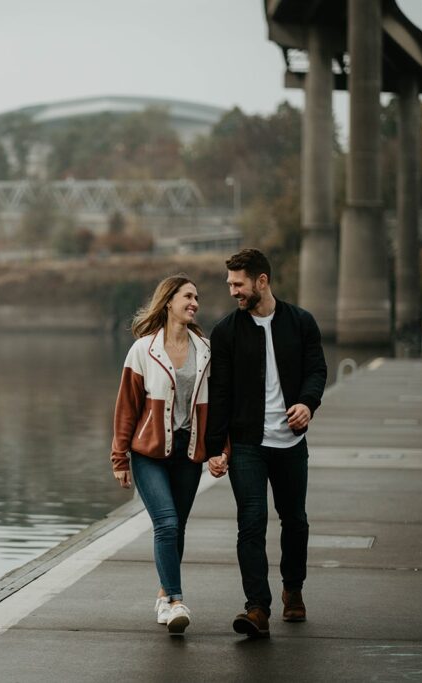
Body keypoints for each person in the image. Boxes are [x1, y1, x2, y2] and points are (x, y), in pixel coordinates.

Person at [205, 248, 326, 639]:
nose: (233, 292)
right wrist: (214, 448)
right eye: (229, 284)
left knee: (296, 521)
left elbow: (317, 370)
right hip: (247, 445)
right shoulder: (225, 332)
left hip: (291, 443)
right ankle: (257, 607)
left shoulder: (301, 322)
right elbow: (219, 392)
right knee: (251, 524)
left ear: (262, 281)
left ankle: (294, 590)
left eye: (238, 284)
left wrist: (307, 404)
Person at [111, 274, 212, 635]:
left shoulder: (205, 349)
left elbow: (214, 407)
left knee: (177, 528)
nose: (194, 303)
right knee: (166, 523)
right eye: (188, 296)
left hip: (188, 452)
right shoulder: (143, 350)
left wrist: (220, 450)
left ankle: (162, 596)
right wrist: (119, 459)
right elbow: (126, 408)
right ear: (168, 301)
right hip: (149, 452)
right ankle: (176, 600)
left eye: (197, 298)